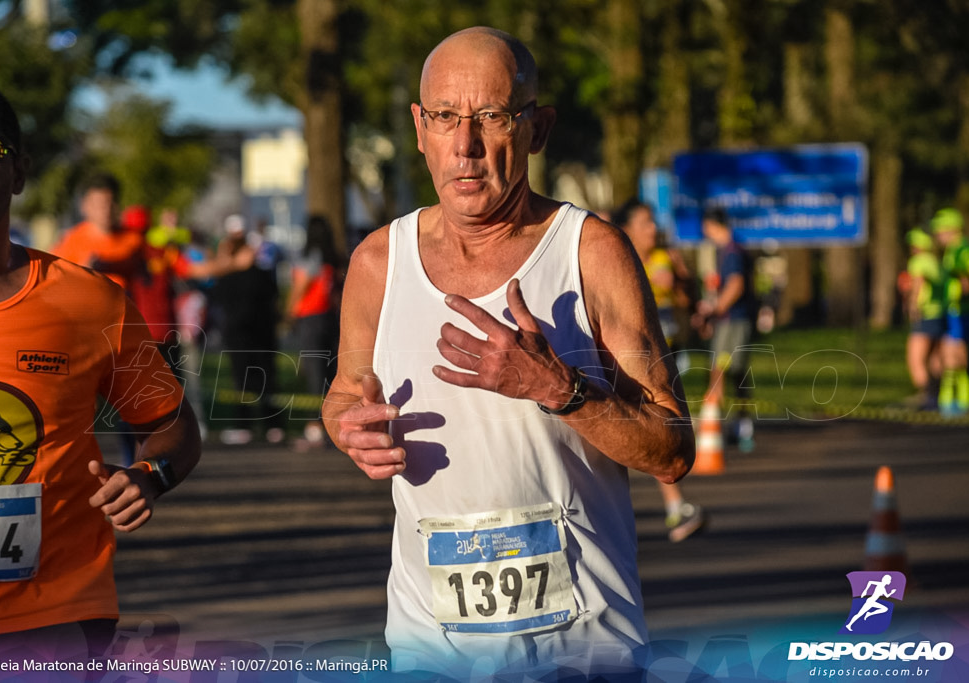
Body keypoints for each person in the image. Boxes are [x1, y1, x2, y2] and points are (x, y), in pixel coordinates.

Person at [322, 28, 694, 680]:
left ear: (537, 128)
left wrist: (561, 389)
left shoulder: (590, 252)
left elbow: (672, 449)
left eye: (491, 117)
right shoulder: (378, 263)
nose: (463, 146)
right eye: (444, 117)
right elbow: (347, 392)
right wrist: (348, 426)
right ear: (418, 126)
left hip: (582, 645)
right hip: (428, 646)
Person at [0, 75, 201, 666]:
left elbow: (174, 427)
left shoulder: (90, 303)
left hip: (53, 615)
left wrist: (149, 474)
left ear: (18, 170)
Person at [614, 198, 706, 542]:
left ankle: (674, 507)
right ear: (628, 230)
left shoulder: (664, 258)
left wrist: (682, 278)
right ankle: (673, 507)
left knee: (666, 428)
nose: (653, 228)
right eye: (645, 223)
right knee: (650, 429)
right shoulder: (617, 262)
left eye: (654, 222)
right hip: (631, 359)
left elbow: (684, 299)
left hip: (667, 352)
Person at [211, 214, 285, 445]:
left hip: (239, 334)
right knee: (266, 379)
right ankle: (273, 426)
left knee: (242, 380)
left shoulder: (228, 278)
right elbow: (275, 299)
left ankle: (245, 425)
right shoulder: (263, 275)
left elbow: (217, 299)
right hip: (263, 334)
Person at [691, 207, 757, 451]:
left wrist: (715, 309)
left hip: (734, 321)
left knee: (721, 371)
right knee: (735, 373)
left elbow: (736, 285)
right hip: (730, 321)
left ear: (711, 224)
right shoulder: (727, 250)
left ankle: (719, 426)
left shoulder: (731, 252)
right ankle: (738, 426)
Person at [286, 215, 343, 451]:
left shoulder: (310, 256)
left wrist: (288, 311)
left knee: (314, 374)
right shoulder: (336, 259)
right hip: (331, 318)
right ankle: (333, 428)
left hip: (310, 318)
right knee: (331, 372)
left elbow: (301, 285)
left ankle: (315, 428)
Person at [50, 172, 142, 290]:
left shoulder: (135, 240)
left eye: (110, 202)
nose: (106, 209)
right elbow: (54, 285)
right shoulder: (69, 243)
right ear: (84, 206)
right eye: (100, 203)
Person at [932, 208, 969, 416]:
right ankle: (953, 399)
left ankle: (958, 401)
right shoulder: (953, 249)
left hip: (960, 310)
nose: (938, 236)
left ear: (952, 230)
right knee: (951, 351)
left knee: (955, 353)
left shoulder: (962, 249)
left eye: (940, 231)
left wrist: (965, 283)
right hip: (954, 309)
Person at [903, 227, 944, 410]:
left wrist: (913, 305)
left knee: (915, 357)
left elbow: (918, 282)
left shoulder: (918, 261)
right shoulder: (936, 261)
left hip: (925, 313)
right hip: (941, 313)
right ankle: (938, 394)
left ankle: (926, 395)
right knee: (935, 356)